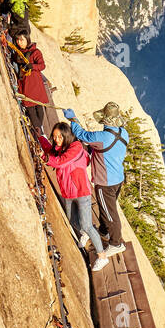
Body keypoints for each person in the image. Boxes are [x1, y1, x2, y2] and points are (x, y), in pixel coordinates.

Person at [37, 122, 116, 272]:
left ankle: (102, 256)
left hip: (81, 191)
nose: (57, 139)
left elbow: (60, 162)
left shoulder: (75, 147)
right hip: (68, 192)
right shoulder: (60, 148)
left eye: (60, 136)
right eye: (54, 137)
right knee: (72, 219)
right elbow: (51, 151)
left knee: (87, 224)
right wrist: (41, 138)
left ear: (67, 135)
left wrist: (44, 157)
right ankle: (86, 233)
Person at [64, 103, 129, 256]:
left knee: (110, 213)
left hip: (105, 182)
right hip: (118, 178)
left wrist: (73, 119)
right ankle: (104, 231)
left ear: (104, 120)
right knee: (106, 208)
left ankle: (116, 243)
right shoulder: (123, 133)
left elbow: (82, 135)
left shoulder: (101, 137)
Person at [11, 33, 48, 133]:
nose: (19, 42)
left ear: (27, 40)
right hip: (25, 83)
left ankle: (39, 129)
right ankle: (38, 130)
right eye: (18, 40)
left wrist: (32, 66)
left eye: (22, 40)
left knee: (39, 106)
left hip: (35, 83)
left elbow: (42, 65)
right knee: (30, 107)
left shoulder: (35, 52)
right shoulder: (18, 53)